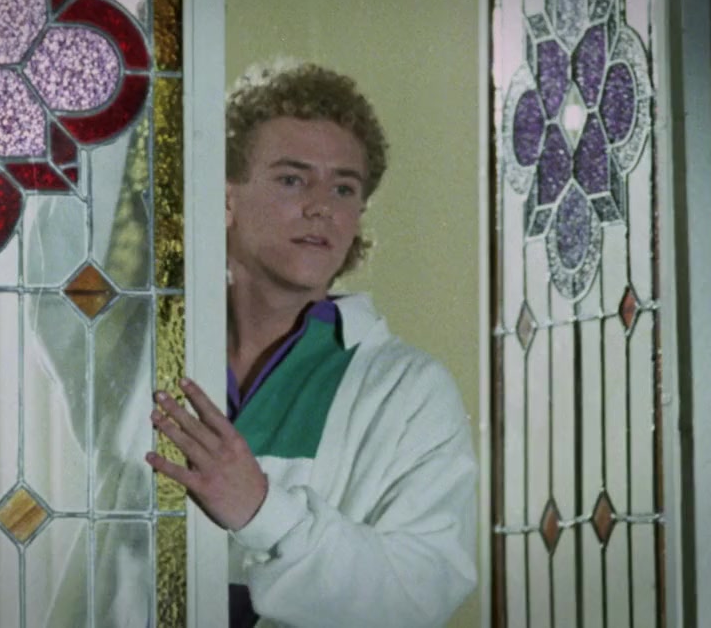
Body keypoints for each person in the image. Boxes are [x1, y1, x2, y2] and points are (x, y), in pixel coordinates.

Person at [146, 60, 478, 627]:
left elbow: (419, 599)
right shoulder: (149, 356)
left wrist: (262, 512)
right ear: (225, 198)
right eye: (292, 179)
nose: (322, 206)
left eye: (344, 187)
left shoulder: (409, 390)